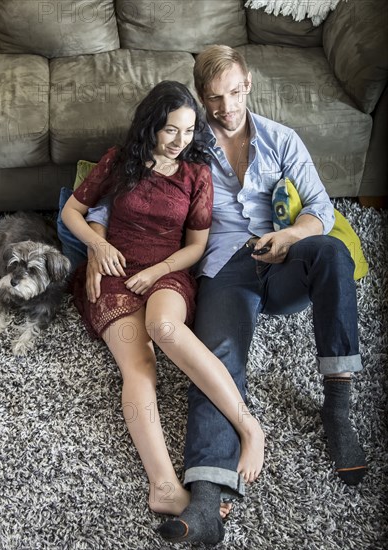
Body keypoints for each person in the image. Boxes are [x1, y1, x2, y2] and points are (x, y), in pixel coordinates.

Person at [60, 46, 367, 544]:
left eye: (235, 92)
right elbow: (121, 188)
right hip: (225, 268)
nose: (227, 107)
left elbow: (320, 209)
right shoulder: (190, 143)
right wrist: (96, 243)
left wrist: (288, 237)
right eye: (215, 98)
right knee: (215, 349)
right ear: (202, 99)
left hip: (285, 261)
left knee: (332, 252)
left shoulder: (281, 139)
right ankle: (204, 497)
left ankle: (338, 410)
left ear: (248, 83)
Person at [60, 80, 265, 542]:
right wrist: (96, 244)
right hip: (113, 273)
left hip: (168, 270)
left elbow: (196, 247)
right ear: (151, 126)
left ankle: (249, 426)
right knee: (140, 366)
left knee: (165, 326)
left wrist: (158, 273)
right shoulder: (119, 161)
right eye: (171, 130)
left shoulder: (197, 173)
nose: (180, 140)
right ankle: (164, 486)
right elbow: (74, 212)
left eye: (189, 130)